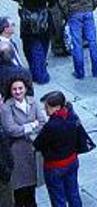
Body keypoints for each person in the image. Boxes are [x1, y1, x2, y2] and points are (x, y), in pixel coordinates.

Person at [33, 91, 87, 207]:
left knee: (58, 199)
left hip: (55, 167)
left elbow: (38, 144)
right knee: (73, 193)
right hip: (72, 161)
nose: (45, 110)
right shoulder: (72, 117)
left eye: (47, 107)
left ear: (57, 107)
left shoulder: (51, 126)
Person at [0, 77, 46, 207]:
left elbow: (42, 122)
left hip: (33, 148)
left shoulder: (33, 102)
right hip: (18, 151)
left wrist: (24, 127)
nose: (18, 91)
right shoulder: (6, 108)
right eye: (14, 89)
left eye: (20, 88)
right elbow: (11, 129)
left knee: (32, 187)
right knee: (20, 188)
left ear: (26, 89)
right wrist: (32, 125)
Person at [12, 0, 52, 84]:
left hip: (27, 17)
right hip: (43, 15)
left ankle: (36, 70)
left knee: (31, 44)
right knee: (43, 42)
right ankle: (40, 71)